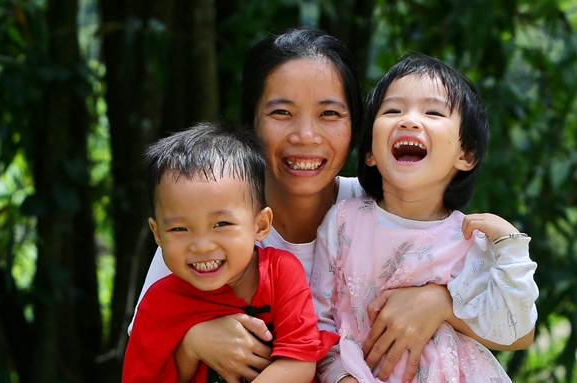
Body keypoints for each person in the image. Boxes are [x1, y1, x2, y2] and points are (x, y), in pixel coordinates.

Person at [132, 29, 535, 383]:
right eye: (281, 113)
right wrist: (192, 341)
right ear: (252, 124)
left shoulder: (386, 206)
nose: (305, 135)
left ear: (356, 129)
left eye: (329, 114)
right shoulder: (207, 225)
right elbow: (147, 348)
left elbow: (519, 331)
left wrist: (442, 304)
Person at [310, 53, 539, 383]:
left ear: (466, 154)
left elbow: (515, 328)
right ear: (371, 152)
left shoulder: (469, 239)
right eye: (393, 110)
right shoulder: (343, 222)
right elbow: (319, 320)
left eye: (432, 111)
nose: (408, 121)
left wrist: (511, 248)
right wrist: (341, 377)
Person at [122, 123, 339, 383]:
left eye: (221, 224)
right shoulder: (158, 305)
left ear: (260, 225)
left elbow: (300, 362)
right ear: (158, 234)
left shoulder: (280, 273)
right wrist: (189, 350)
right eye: (180, 228)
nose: (201, 245)